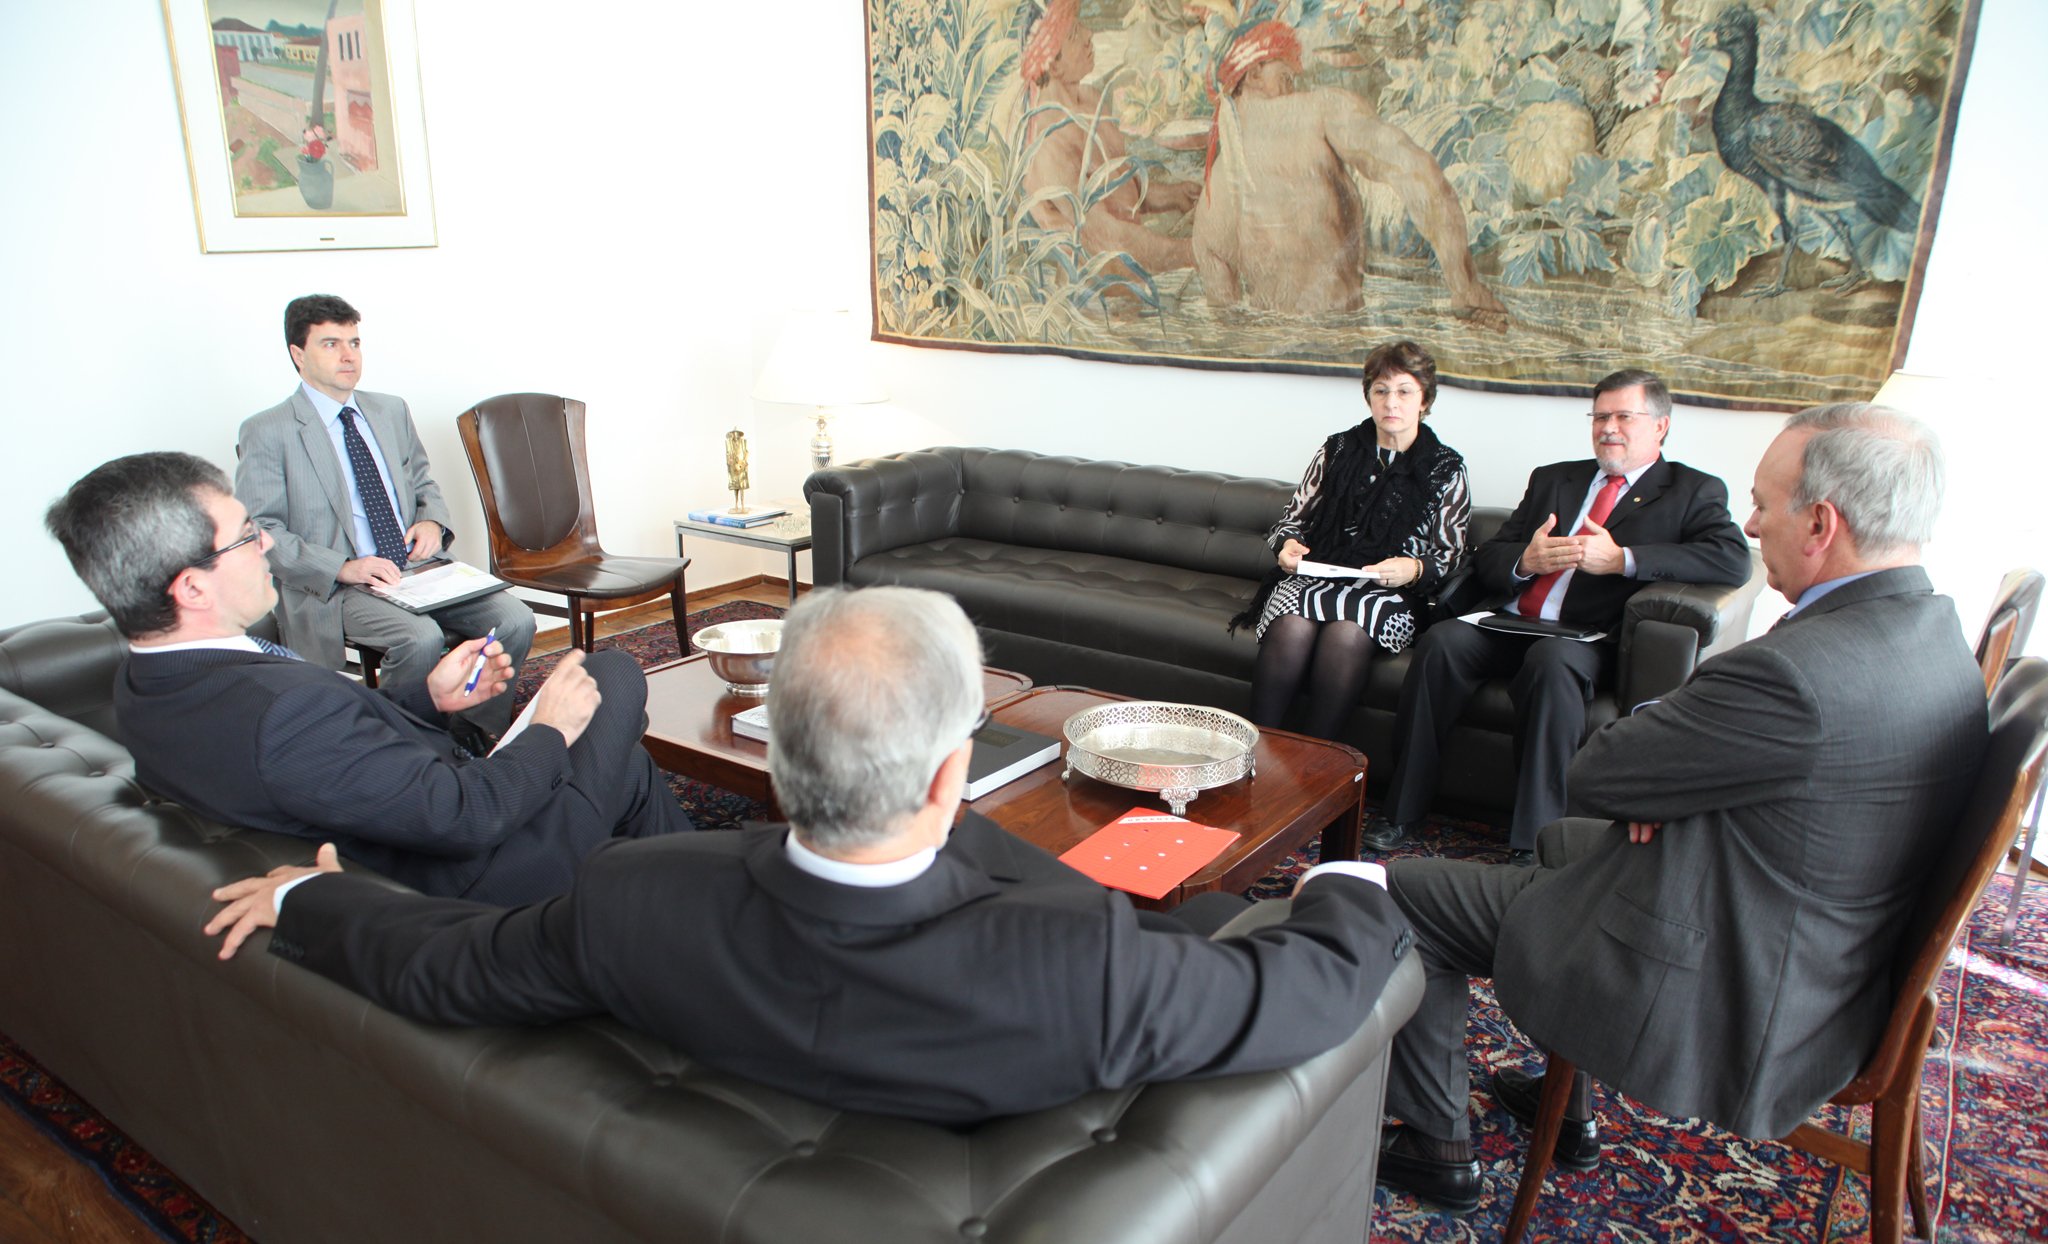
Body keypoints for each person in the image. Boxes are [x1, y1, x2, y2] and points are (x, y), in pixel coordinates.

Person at [202, 586, 1416, 1126]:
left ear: (776, 769)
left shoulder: (629, 898)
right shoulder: (1083, 964)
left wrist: (310, 900)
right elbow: (1305, 990)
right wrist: (1351, 883)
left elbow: (448, 965)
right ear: (948, 777)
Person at [1370, 402, 1987, 1213]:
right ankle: (1570, 1109)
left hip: (1738, 975)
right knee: (1563, 838)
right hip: (1826, 941)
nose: (1753, 524)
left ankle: (1436, 1144)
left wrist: (1667, 775)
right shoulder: (1936, 636)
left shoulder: (1799, 673)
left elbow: (1598, 768)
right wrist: (1678, 778)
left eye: (1764, 505)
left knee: (1398, 892)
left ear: (1821, 523)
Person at [44, 453, 689, 908]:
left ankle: (681, 903)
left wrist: (427, 697)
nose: (267, 544)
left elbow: (330, 754)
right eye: (246, 537)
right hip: (481, 875)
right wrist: (548, 729)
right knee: (612, 674)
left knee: (625, 764)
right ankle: (692, 908)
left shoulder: (145, 678)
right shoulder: (280, 715)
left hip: (403, 815)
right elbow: (468, 816)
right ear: (191, 588)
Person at [1364, 369, 1750, 864]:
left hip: (1585, 638)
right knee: (1442, 642)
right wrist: (1525, 561)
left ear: (1660, 426)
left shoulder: (1691, 490)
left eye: (1623, 417)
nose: (1608, 428)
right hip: (1509, 624)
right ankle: (1403, 810)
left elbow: (1732, 559)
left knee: (1551, 662)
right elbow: (1491, 555)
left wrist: (1623, 560)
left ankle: (1534, 842)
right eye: (1600, 417)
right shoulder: (1554, 478)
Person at [236, 294, 536, 735]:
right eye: (331, 344)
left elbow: (423, 482)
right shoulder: (268, 430)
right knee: (419, 638)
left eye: (354, 343)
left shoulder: (390, 410)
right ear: (298, 355)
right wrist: (343, 567)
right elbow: (261, 531)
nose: (348, 355)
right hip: (338, 585)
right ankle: (400, 744)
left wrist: (432, 523)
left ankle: (472, 734)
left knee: (515, 620)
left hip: (416, 567)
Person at [1192, 20, 1507, 327]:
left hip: (1272, 348)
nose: (1293, 89)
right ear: (1254, 73)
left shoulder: (1210, 202)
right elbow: (1417, 172)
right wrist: (1465, 285)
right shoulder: (1320, 110)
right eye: (1287, 77)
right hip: (1342, 339)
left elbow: (1227, 327)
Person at [1235, 338, 1470, 739]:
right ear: (1368, 397)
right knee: (1291, 624)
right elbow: (1291, 521)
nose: (1391, 403)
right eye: (1381, 391)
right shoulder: (1338, 449)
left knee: (1346, 633)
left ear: (1425, 399)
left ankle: (1318, 761)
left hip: (1390, 591)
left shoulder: (1446, 468)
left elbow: (1451, 554)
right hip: (1318, 574)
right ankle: (1256, 749)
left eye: (1404, 391)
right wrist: (1287, 547)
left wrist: (1414, 568)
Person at [1019, 0, 1201, 276]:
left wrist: (1174, 195)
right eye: (1075, 34)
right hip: (1097, 295)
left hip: (1134, 277)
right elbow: (1107, 237)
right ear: (1053, 65)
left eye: (1081, 26)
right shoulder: (1050, 146)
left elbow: (1123, 189)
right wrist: (1189, 253)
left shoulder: (1091, 100)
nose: (1089, 34)